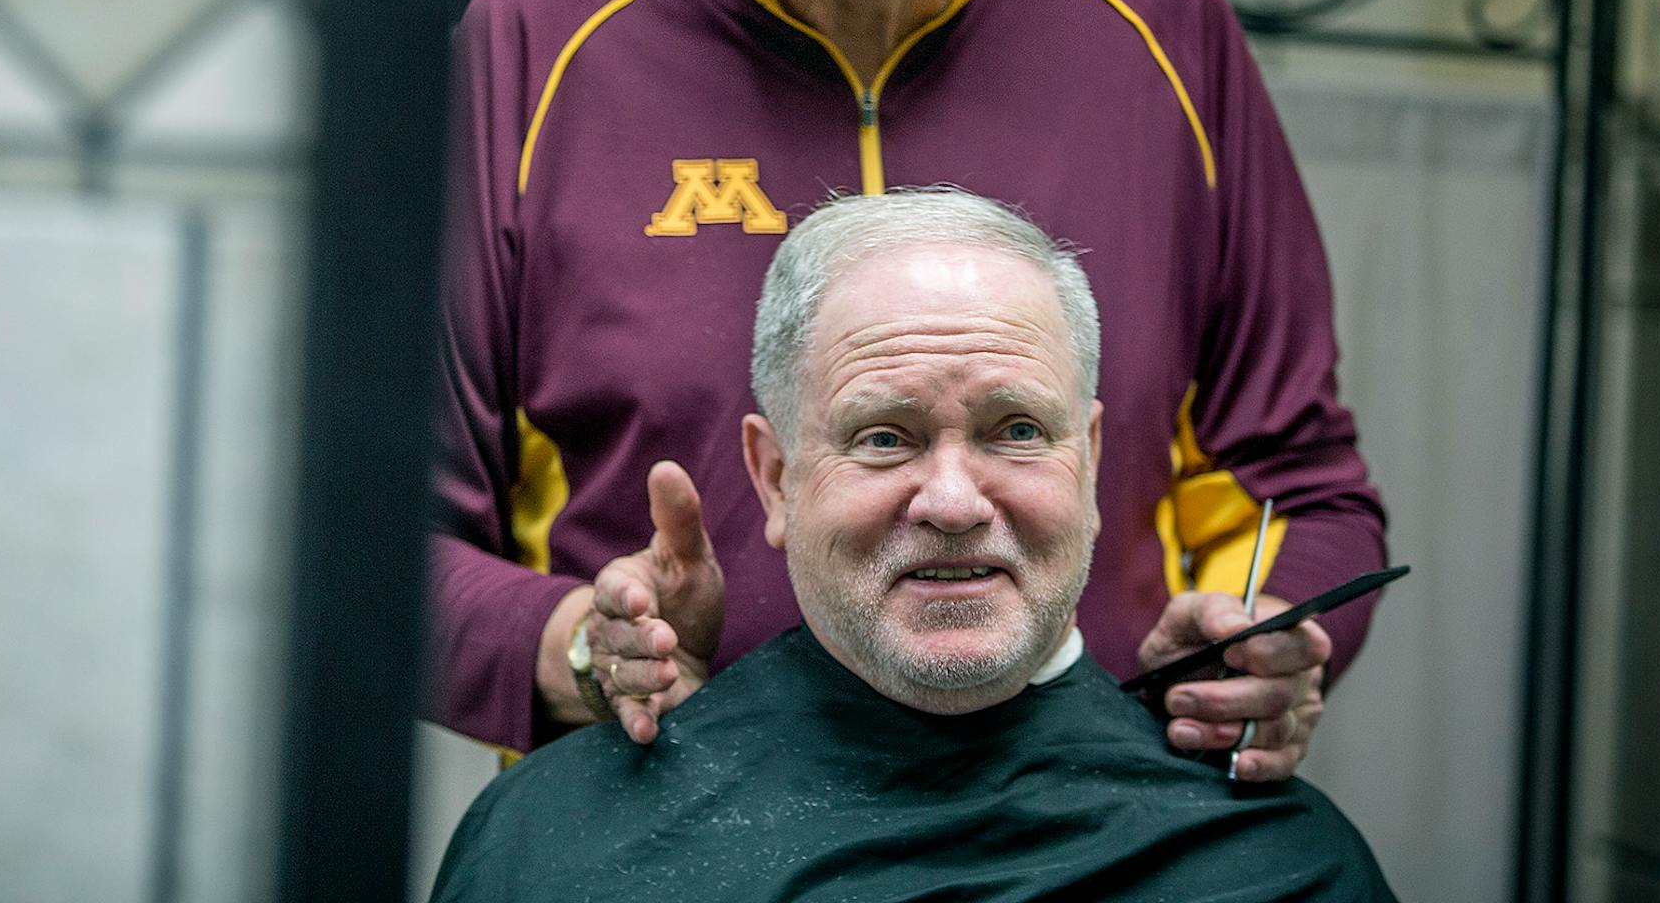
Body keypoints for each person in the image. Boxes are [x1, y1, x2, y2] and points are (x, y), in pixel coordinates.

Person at [432, 0, 1385, 780]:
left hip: (1085, 833)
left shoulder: (1160, 34)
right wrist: (580, 648)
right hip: (657, 830)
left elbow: (1299, 482)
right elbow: (380, 524)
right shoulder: (538, 39)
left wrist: (1264, 634)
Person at [430, 191, 1395, 902]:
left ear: (1090, 460)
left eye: (1016, 430)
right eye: (884, 437)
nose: (951, 501)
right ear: (775, 478)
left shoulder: (1280, 870)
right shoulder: (560, 853)